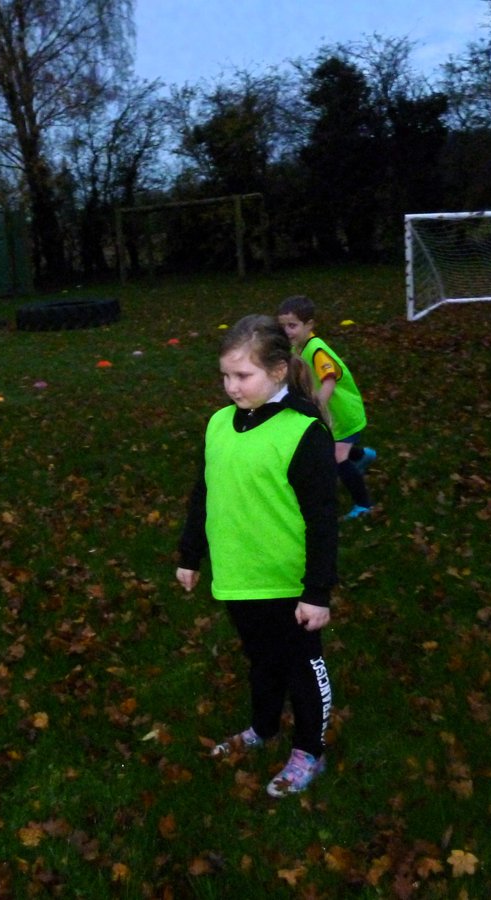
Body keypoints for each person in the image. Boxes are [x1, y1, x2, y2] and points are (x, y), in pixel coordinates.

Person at [176, 314, 337, 798]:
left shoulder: (303, 432)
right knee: (261, 661)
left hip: (288, 583)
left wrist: (317, 591)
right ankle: (264, 728)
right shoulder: (219, 425)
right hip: (238, 576)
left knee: (301, 666)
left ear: (278, 373)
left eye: (242, 376)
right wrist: (190, 554)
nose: (230, 387)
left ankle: (310, 749)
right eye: (225, 376)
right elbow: (204, 493)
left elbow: (323, 521)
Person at [277, 295, 376, 519]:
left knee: (336, 455)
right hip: (333, 416)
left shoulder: (316, 349)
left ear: (309, 325)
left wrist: (318, 405)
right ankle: (362, 456)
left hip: (344, 413)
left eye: (292, 326)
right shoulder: (297, 349)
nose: (287, 331)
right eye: (283, 326)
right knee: (336, 447)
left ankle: (364, 504)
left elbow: (329, 378)